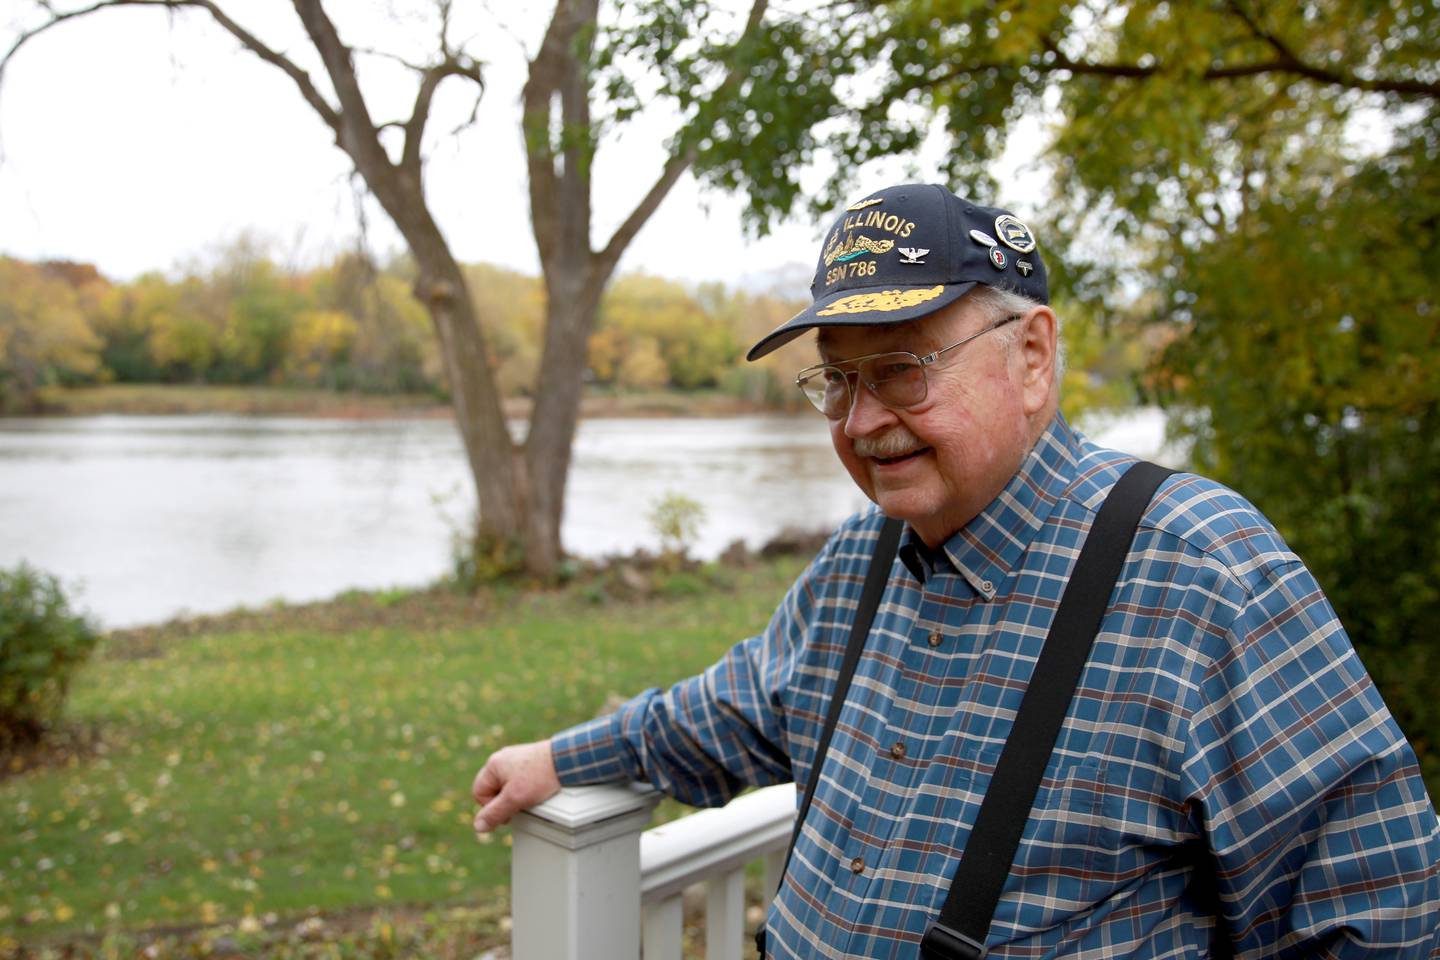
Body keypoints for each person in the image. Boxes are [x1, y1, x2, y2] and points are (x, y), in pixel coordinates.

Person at [471, 183, 1440, 957]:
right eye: (838, 380)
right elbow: (740, 710)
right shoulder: (861, 558)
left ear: (1031, 355)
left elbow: (1370, 909)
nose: (859, 422)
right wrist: (562, 760)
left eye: (900, 367)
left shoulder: (1201, 571)